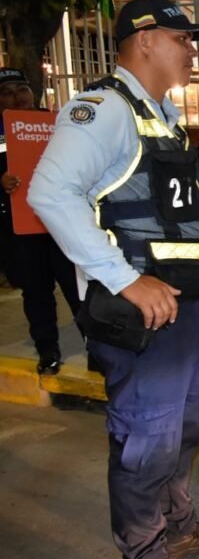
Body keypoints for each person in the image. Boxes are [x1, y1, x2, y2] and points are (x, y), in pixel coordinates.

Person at [27, 0, 199, 559]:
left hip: (186, 307)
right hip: (141, 316)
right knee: (145, 443)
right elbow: (50, 192)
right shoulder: (104, 110)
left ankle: (177, 527)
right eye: (182, 36)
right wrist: (123, 280)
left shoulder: (163, 115)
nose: (192, 48)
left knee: (185, 430)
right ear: (142, 40)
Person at [0, 68, 82, 374]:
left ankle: (97, 347)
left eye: (21, 88)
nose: (16, 96)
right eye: (6, 91)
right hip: (22, 228)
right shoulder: (0, 131)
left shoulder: (55, 122)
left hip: (61, 222)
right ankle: (47, 350)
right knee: (36, 292)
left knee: (77, 287)